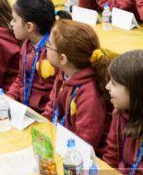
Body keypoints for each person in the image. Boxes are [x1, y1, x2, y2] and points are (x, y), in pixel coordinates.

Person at [43, 20, 112, 154]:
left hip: (75, 154)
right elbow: (51, 109)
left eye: (49, 44)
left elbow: (85, 143)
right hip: (59, 141)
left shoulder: (90, 96)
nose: (45, 46)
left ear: (63, 59)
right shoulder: (63, 74)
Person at [7, 0, 67, 112]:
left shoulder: (53, 54)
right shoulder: (27, 44)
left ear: (29, 27)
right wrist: (9, 97)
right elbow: (21, 78)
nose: (11, 24)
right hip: (25, 108)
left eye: (14, 20)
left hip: (42, 113)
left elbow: (56, 97)